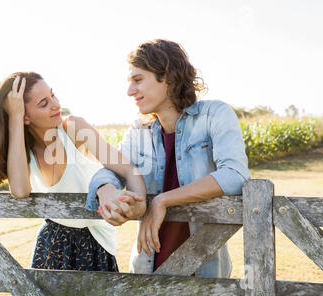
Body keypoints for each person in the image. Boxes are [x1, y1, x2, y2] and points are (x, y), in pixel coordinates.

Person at [86, 39, 251, 278]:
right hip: (147, 270)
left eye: (138, 80)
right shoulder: (139, 130)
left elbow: (235, 175)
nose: (130, 91)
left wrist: (162, 200)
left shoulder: (215, 114)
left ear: (168, 77)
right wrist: (105, 189)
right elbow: (112, 169)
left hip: (206, 272)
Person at [0, 72, 146, 279]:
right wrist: (15, 117)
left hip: (94, 245)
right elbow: (20, 190)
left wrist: (141, 208)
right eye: (44, 103)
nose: (55, 104)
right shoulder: (22, 152)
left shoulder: (74, 128)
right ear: (25, 117)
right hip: (51, 245)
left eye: (53, 95)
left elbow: (127, 169)